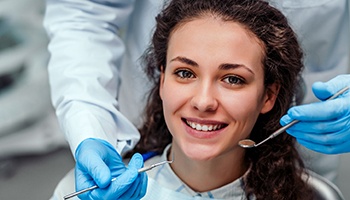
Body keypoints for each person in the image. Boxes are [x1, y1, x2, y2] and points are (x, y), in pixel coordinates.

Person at [43, 0, 349, 198]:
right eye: (185, 73)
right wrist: (89, 123)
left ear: (269, 95)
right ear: (161, 78)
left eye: (233, 79)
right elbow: (84, 13)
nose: (203, 101)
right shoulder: (83, 192)